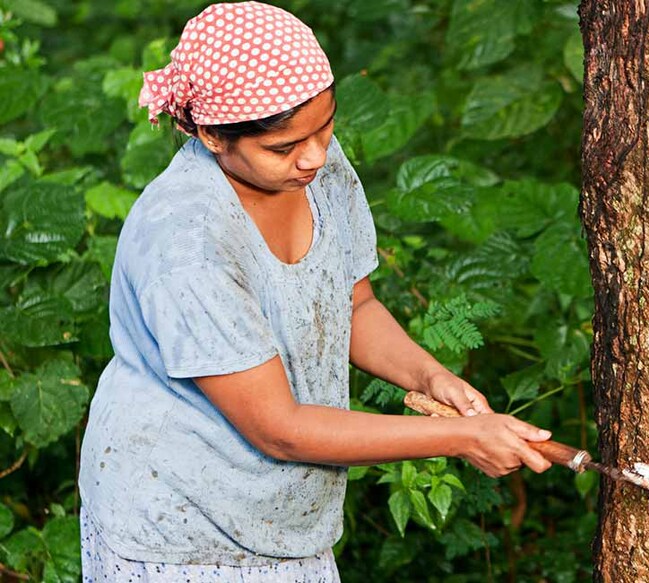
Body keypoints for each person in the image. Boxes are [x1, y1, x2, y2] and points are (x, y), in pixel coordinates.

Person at [77, 2, 552, 580]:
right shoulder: (188, 243)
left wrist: (432, 379)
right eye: (283, 147)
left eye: (325, 128)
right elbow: (278, 429)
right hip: (179, 527)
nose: (315, 157)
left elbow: (354, 304)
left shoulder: (315, 163)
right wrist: (461, 437)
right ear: (210, 134)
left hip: (283, 516)